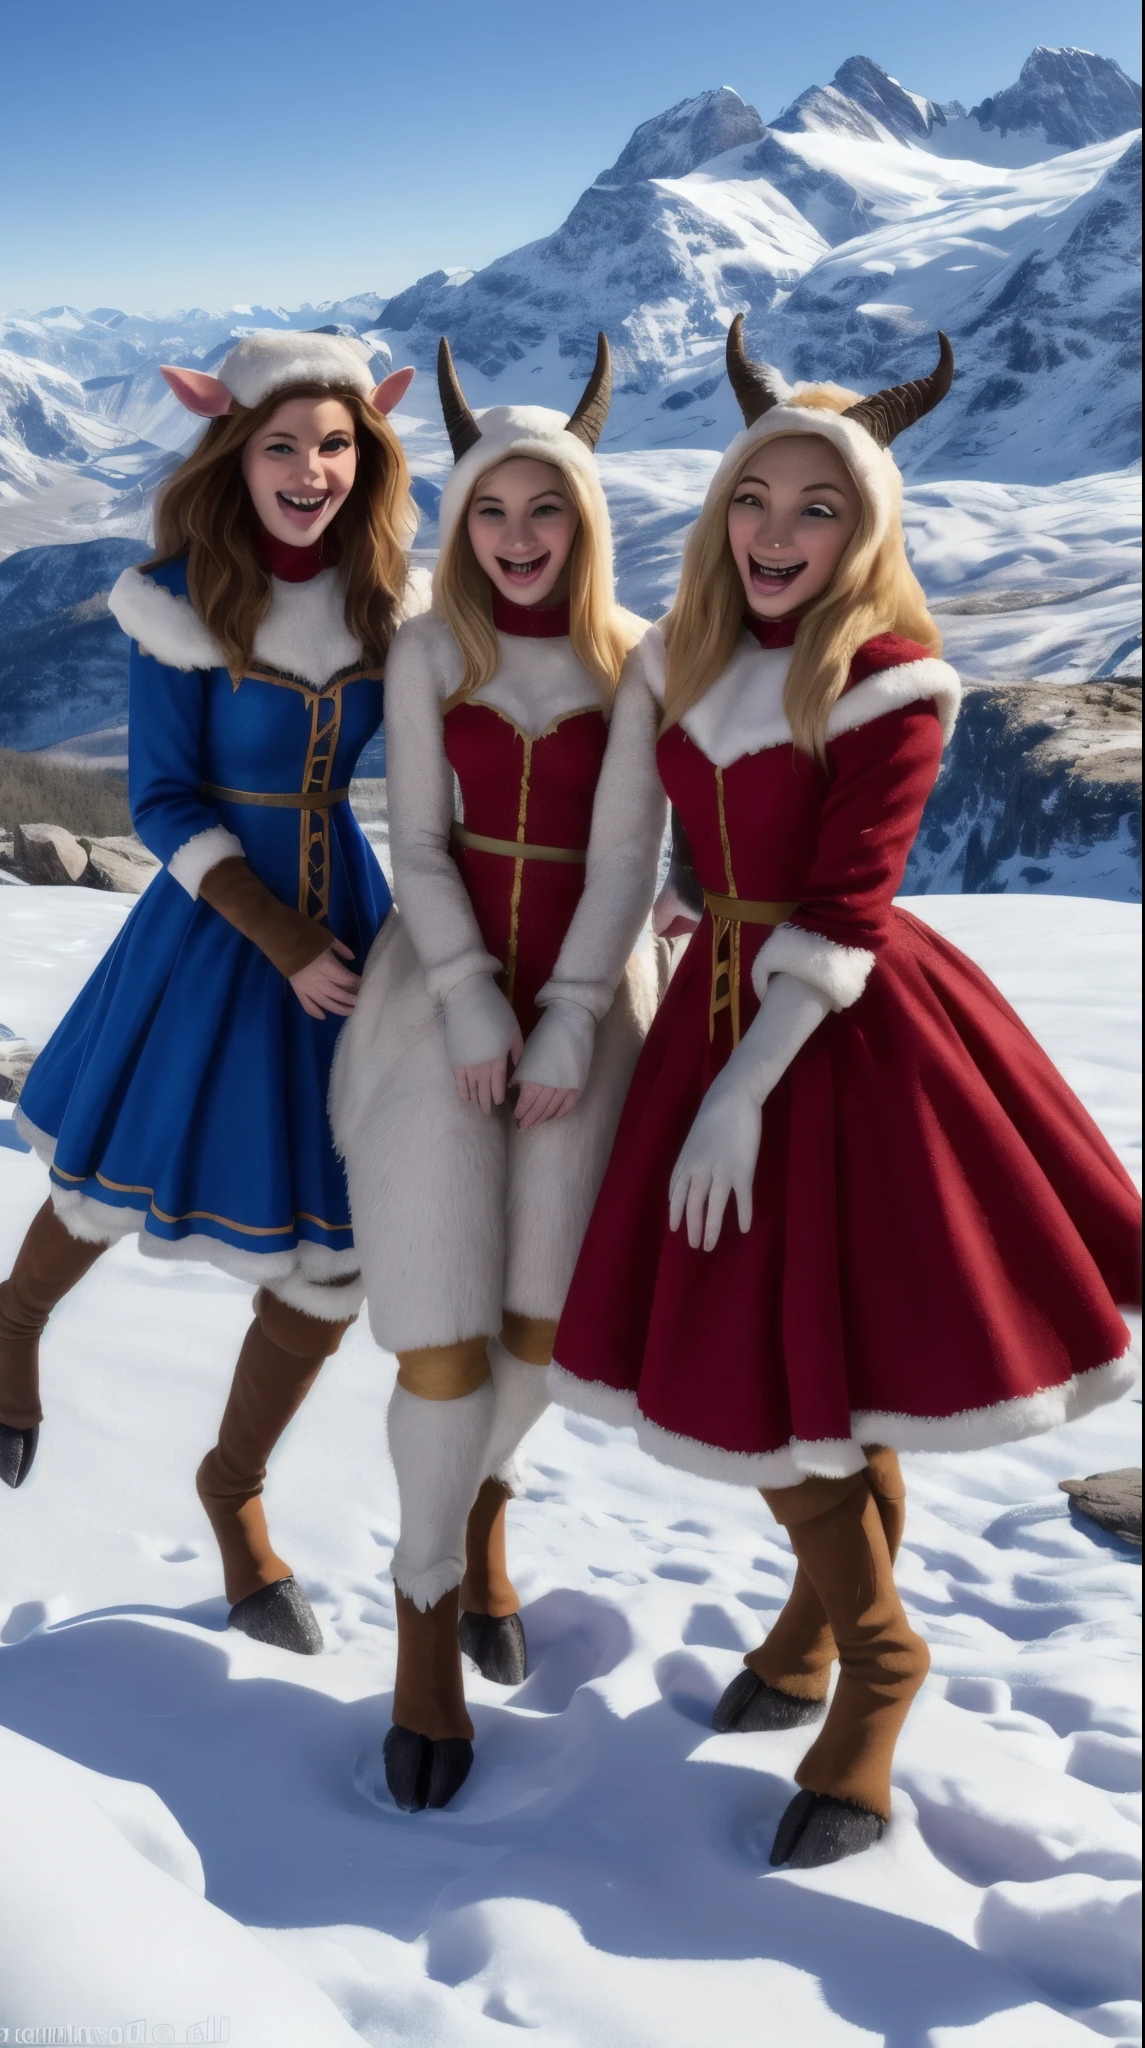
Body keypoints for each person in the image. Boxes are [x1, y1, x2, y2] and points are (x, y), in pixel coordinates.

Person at [551, 317, 1142, 1868]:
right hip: (723, 1011)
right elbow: (662, 851)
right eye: (757, 498)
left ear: (868, 529)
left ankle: (881, 1663)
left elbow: (852, 904)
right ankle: (825, 1633)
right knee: (811, 1367)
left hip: (839, 1036)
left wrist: (740, 1088)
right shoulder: (691, 658)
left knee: (774, 1365)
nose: (778, 533)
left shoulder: (892, 682)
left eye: (820, 508)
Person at [0, 330, 418, 1656]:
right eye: (283, 444)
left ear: (367, 455)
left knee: (336, 1253)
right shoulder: (174, 600)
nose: (310, 469)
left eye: (335, 445)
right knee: (107, 1176)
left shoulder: (392, 594)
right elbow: (161, 799)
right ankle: (17, 1319)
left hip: (353, 925)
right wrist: (278, 936)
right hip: (219, 934)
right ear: (235, 451)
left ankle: (232, 1494)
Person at [332, 336, 665, 1809]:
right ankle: (421, 1625)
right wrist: (473, 1002)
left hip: (593, 1007)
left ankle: (478, 1525)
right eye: (491, 512)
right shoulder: (427, 650)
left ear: (584, 522)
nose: (519, 539)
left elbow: (628, 854)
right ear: (458, 520)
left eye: (547, 513)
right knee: (443, 1333)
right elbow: (413, 847)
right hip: (440, 997)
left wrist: (579, 1012)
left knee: (539, 1330)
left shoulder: (639, 657)